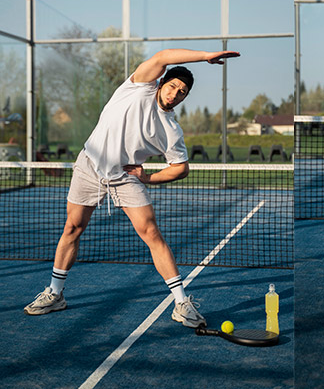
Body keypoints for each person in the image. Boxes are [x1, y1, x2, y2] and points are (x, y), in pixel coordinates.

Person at [24, 48, 239, 328]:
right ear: (161, 83)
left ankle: (181, 303)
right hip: (89, 165)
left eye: (182, 92)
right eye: (173, 85)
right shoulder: (137, 87)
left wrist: (148, 177)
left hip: (125, 176)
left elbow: (181, 168)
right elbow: (162, 57)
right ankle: (55, 294)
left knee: (151, 233)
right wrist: (205, 56)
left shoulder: (171, 130)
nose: (175, 93)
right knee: (72, 228)